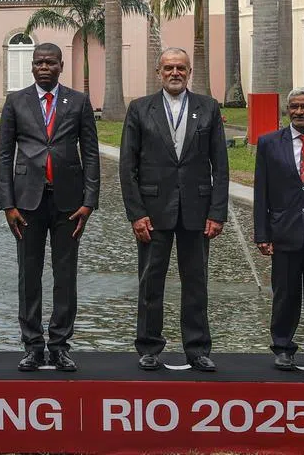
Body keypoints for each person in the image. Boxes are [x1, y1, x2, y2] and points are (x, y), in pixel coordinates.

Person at [120, 47, 227, 372]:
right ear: (158, 72)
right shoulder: (140, 109)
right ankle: (149, 347)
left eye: (181, 67)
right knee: (151, 283)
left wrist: (217, 212)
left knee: (196, 283)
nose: (175, 73)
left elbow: (220, 166)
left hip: (197, 211)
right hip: (153, 212)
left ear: (189, 71)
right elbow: (128, 167)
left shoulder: (207, 108)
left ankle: (197, 349)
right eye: (169, 68)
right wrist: (137, 214)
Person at [0, 42, 99, 372]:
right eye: (39, 62)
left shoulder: (79, 102)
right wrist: (7, 204)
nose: (45, 67)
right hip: (27, 203)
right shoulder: (16, 102)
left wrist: (89, 201)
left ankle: (59, 345)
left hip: (69, 203)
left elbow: (92, 153)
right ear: (31, 66)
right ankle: (32, 345)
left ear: (60, 66)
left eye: (51, 62)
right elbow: (3, 156)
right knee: (29, 276)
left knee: (65, 275)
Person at [254, 86, 304, 372]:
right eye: (295, 107)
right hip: (283, 232)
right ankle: (283, 348)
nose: (300, 111)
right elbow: (261, 191)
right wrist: (261, 234)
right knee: (285, 294)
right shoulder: (268, 143)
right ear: (287, 110)